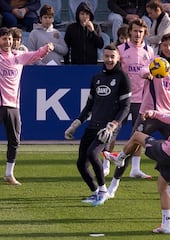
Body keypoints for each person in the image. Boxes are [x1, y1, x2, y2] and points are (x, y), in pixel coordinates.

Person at [104, 81, 170, 234]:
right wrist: (155, 113)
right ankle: (166, 225)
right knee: (162, 188)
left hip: (167, 152)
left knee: (137, 136)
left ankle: (120, 158)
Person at [0, 24, 54, 187]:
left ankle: (9, 173)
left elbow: (35, 55)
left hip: (14, 107)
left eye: (9, 39)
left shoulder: (18, 56)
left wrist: (46, 48)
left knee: (14, 140)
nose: (7, 41)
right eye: (4, 39)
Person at [107, 33, 170, 201]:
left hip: (168, 115)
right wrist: (146, 74)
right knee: (131, 148)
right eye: (165, 45)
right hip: (148, 114)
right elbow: (143, 69)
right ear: (161, 47)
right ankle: (112, 187)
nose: (168, 48)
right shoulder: (155, 62)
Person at [64, 44, 131, 207]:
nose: (109, 60)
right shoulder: (97, 77)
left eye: (112, 57)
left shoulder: (123, 77)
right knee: (81, 163)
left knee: (93, 154)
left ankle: (103, 191)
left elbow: (125, 107)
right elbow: (89, 105)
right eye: (106, 56)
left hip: (108, 128)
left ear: (118, 58)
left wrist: (113, 125)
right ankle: (95, 192)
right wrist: (76, 124)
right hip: (93, 125)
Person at [103, 18, 155, 178]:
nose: (137, 34)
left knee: (137, 135)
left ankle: (135, 169)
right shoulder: (120, 50)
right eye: (135, 31)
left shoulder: (150, 51)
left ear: (144, 33)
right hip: (123, 100)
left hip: (142, 100)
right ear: (130, 32)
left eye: (140, 31)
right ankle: (105, 164)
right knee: (112, 132)